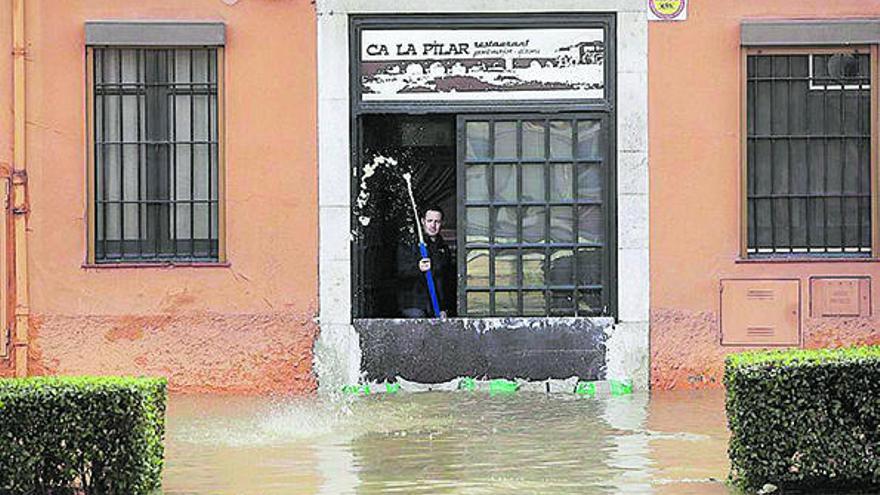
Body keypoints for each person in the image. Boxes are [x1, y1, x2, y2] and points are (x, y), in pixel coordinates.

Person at [396, 205, 453, 318]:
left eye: (437, 221)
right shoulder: (410, 244)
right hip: (414, 304)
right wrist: (418, 268)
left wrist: (444, 308)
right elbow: (400, 271)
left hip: (436, 306)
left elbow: (447, 280)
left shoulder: (443, 248)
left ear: (442, 223)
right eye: (430, 221)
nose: (433, 225)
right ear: (422, 221)